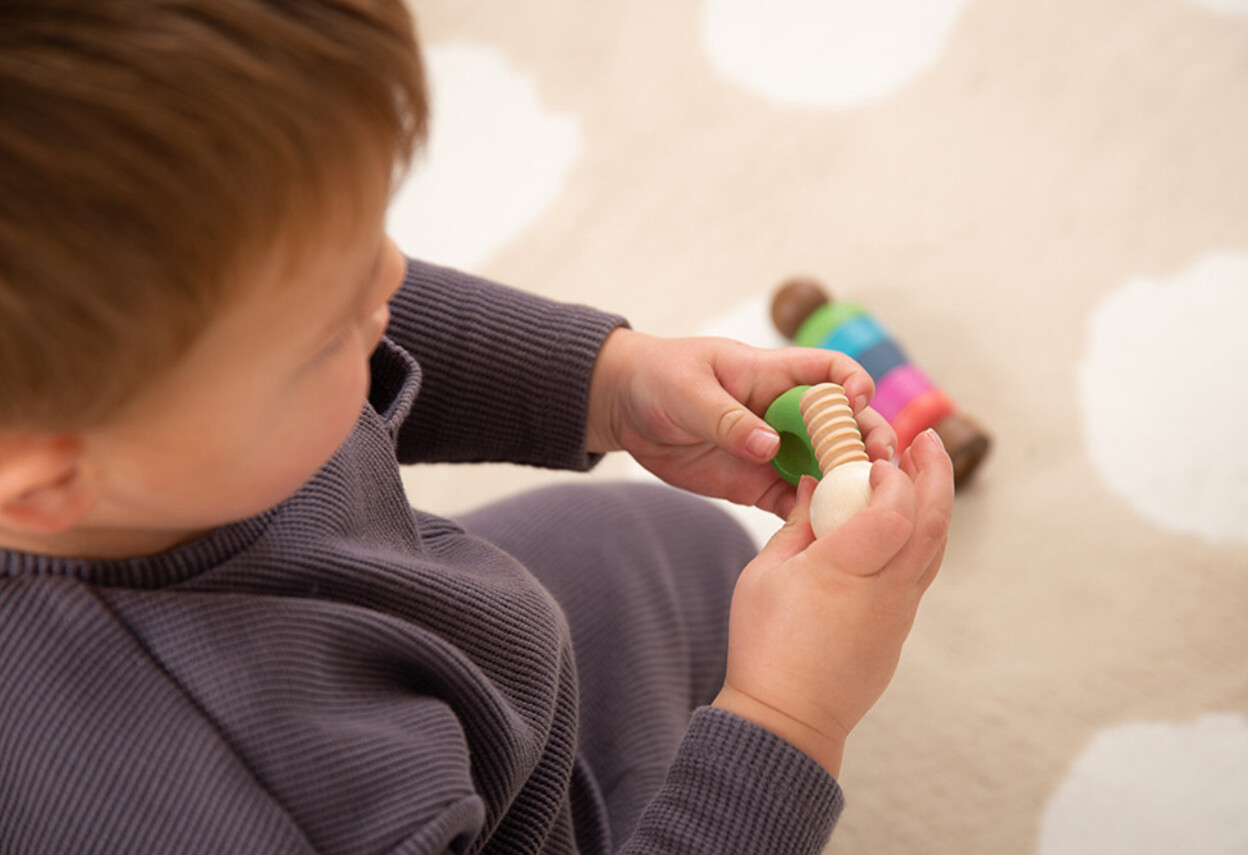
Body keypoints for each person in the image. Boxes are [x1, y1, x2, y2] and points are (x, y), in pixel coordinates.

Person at [0, 1, 954, 852]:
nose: (389, 287)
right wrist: (788, 716)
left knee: (674, 549)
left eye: (372, 235)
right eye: (333, 324)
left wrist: (610, 383)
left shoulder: (139, 425)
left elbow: (360, 311)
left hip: (475, 677)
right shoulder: (269, 800)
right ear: (45, 481)